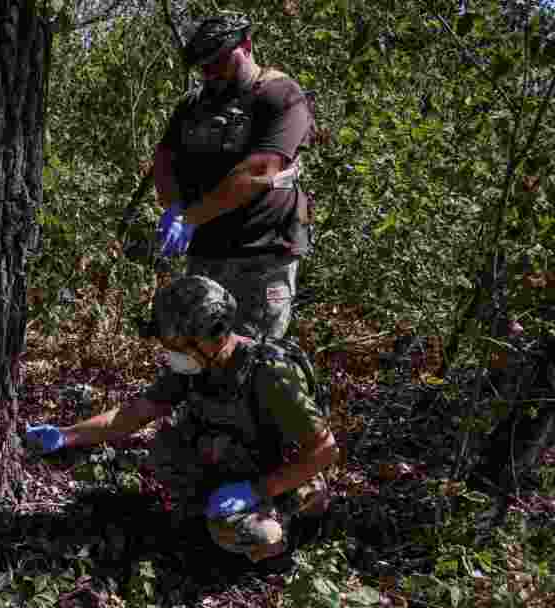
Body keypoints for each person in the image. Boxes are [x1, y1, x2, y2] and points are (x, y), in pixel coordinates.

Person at [25, 276, 338, 570]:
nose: (172, 353)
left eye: (178, 345)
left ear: (212, 337)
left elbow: (324, 450)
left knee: (255, 535)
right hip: (238, 461)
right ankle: (204, 513)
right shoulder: (197, 364)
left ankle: (287, 540)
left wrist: (258, 489)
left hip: (286, 478)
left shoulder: (270, 375)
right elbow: (135, 412)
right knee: (168, 449)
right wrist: (66, 436)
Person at [153, 11, 314, 341]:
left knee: (253, 357)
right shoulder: (193, 105)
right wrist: (173, 208)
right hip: (207, 252)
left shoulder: (281, 95)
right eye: (204, 65)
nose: (210, 72)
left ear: (247, 45)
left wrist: (191, 217)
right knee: (199, 350)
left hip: (263, 254)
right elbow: (164, 159)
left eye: (219, 61)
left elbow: (259, 170)